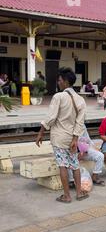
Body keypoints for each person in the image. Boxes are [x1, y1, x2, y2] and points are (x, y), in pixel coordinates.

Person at [36, 67, 88, 204]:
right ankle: (79, 193)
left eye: (59, 80)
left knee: (62, 165)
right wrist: (75, 138)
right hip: (72, 139)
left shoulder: (58, 97)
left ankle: (66, 195)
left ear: (65, 81)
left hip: (59, 138)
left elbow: (50, 118)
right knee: (75, 165)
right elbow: (80, 122)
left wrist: (41, 132)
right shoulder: (80, 100)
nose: (58, 83)